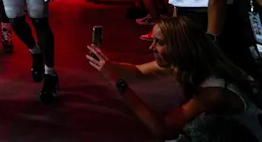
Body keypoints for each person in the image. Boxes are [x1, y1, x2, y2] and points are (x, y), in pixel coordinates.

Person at [87, 17, 262, 140]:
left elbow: (162, 129)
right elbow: (138, 71)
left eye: (159, 42)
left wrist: (117, 82)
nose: (151, 47)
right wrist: (107, 64)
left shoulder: (214, 92)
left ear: (180, 47)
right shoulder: (186, 64)